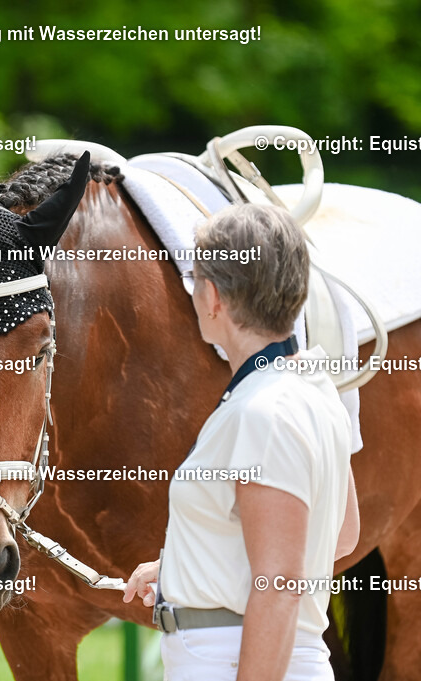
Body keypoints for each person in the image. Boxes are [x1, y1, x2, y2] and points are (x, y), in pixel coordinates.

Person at [122, 203, 359, 680]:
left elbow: (279, 585)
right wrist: (187, 569)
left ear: (213, 297)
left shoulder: (263, 412)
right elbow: (342, 534)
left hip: (231, 662)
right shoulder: (310, 387)